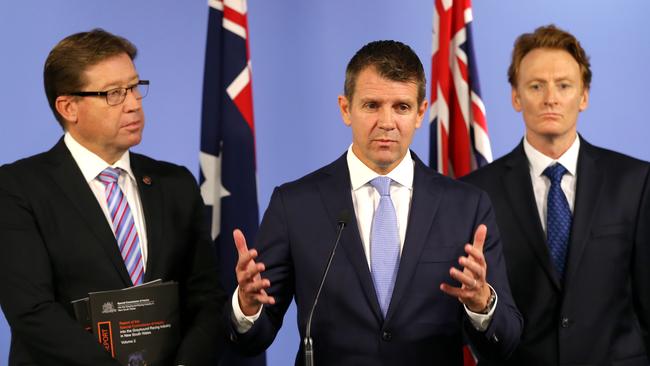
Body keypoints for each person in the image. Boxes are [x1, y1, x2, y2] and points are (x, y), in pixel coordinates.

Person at [227, 40, 522, 365]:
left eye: (402, 107)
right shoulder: (295, 205)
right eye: (371, 105)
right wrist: (247, 308)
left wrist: (482, 304)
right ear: (345, 109)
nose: (386, 122)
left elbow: (504, 343)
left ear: (421, 112)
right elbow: (252, 340)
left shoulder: (466, 207)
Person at [0, 29, 227, 365]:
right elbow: (32, 312)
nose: (134, 104)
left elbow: (206, 298)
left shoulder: (175, 183)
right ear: (68, 107)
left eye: (135, 87)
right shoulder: (17, 188)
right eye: (114, 94)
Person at [463, 25, 650, 364]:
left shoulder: (635, 182)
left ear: (583, 96)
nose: (550, 97)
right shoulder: (477, 191)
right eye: (536, 86)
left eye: (563, 85)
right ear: (516, 96)